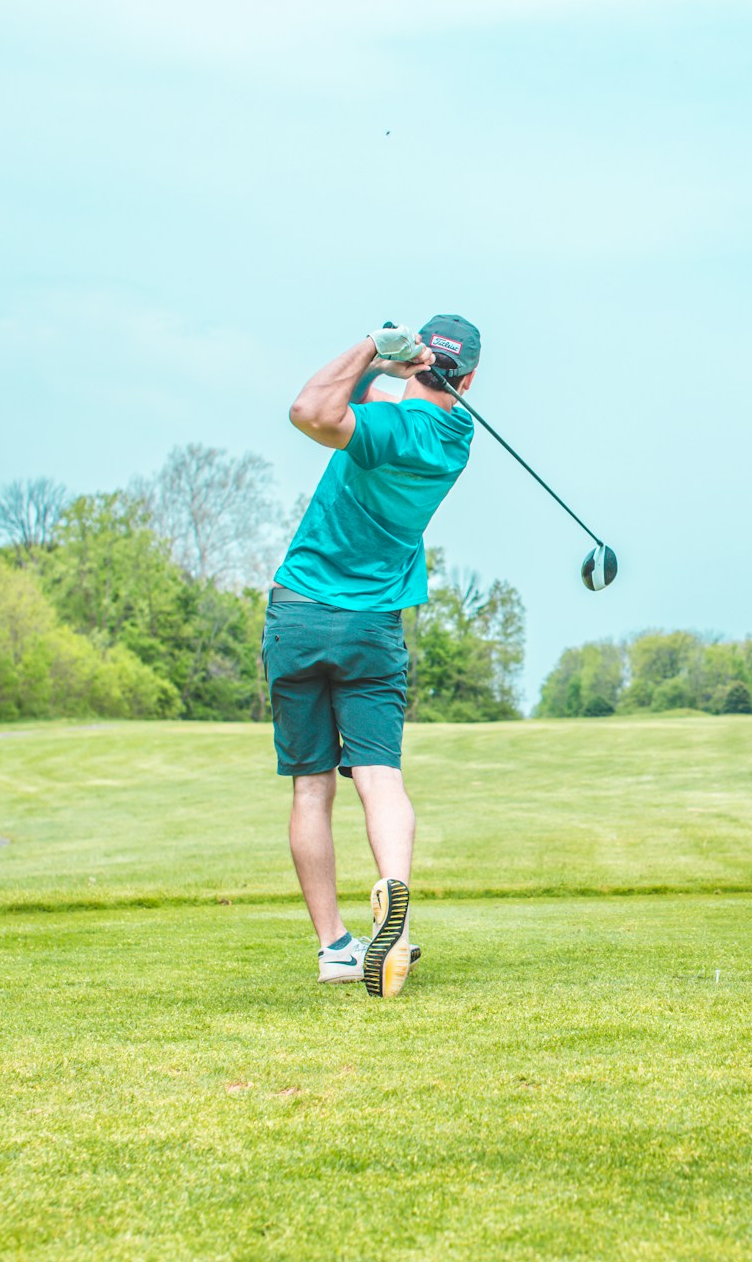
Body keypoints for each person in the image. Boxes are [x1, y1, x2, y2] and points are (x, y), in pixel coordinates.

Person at [268, 316, 480, 998]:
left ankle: (334, 946)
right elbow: (353, 411)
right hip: (372, 630)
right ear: (469, 379)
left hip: (299, 614)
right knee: (380, 776)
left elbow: (311, 410)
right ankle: (396, 905)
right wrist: (395, 371)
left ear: (418, 363)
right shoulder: (456, 441)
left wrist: (371, 348)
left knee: (311, 786)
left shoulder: (385, 428)